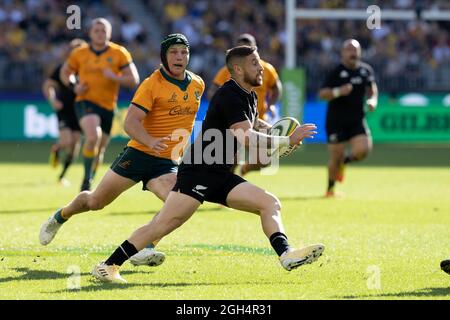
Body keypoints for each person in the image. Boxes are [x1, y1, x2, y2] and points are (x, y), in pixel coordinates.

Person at [91, 45, 324, 284]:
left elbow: (252, 125)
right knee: (163, 225)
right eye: (254, 63)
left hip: (220, 174)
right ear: (238, 69)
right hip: (199, 172)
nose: (261, 67)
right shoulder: (230, 94)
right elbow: (245, 136)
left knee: (269, 203)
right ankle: (108, 265)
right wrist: (285, 140)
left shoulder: (248, 95)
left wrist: (274, 134)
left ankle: (286, 254)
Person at [40, 33, 205, 267]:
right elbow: (130, 123)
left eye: (184, 52)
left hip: (166, 162)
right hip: (138, 155)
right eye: (174, 52)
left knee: (179, 206)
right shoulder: (151, 85)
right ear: (164, 56)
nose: (180, 57)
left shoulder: (198, 83)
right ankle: (60, 216)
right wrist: (150, 141)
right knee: (96, 202)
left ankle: (145, 246)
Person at [60, 17, 140, 191]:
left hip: (108, 106)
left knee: (100, 148)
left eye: (103, 30)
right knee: (92, 136)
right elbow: (65, 73)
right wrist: (74, 85)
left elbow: (133, 79)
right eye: (96, 30)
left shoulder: (119, 53)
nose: (100, 33)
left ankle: (90, 178)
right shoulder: (79, 53)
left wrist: (115, 77)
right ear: (90, 33)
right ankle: (86, 181)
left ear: (109, 34)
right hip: (85, 101)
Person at [208, 33, 282, 176]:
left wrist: (271, 105)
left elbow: (276, 87)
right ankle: (229, 182)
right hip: (235, 121)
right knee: (232, 159)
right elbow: (214, 89)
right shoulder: (227, 73)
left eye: (248, 47)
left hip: (257, 118)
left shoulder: (266, 70)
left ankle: (244, 169)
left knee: (265, 160)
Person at [318, 39, 378, 197]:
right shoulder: (336, 72)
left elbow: (372, 88)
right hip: (336, 121)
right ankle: (330, 189)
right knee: (335, 158)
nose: (353, 53)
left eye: (355, 50)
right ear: (343, 53)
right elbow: (322, 94)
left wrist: (372, 100)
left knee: (363, 150)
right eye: (349, 50)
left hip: (356, 119)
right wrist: (338, 92)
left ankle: (346, 161)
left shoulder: (366, 70)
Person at [43, 39, 86, 185]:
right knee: (67, 141)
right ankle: (57, 147)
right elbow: (48, 85)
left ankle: (62, 176)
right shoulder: (63, 68)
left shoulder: (88, 71)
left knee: (74, 148)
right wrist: (53, 100)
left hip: (80, 111)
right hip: (65, 110)